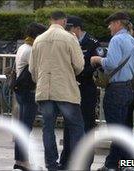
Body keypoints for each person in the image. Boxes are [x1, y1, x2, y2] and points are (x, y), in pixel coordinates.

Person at [29, 11, 85, 171]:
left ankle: (51, 164)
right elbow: (79, 66)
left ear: (50, 20)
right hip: (65, 90)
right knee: (76, 127)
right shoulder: (70, 38)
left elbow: (32, 69)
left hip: (44, 91)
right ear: (64, 21)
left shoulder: (39, 40)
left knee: (48, 128)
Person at [90, 12, 134, 170]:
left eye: (111, 23)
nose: (109, 27)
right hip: (128, 89)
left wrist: (97, 59)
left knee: (115, 131)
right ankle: (127, 164)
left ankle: (111, 165)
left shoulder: (117, 39)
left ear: (118, 23)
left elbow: (111, 63)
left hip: (115, 91)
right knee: (124, 129)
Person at [66, 15, 102, 169]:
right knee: (69, 124)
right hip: (71, 88)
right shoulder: (67, 41)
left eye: (69, 28)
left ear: (77, 28)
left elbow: (96, 64)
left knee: (87, 124)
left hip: (86, 88)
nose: (67, 31)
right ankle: (68, 159)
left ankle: (86, 162)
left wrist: (79, 73)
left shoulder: (92, 43)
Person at [13, 22, 47, 171]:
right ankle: (22, 162)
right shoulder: (31, 50)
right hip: (28, 92)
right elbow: (35, 72)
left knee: (23, 127)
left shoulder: (23, 47)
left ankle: (20, 161)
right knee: (25, 128)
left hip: (21, 91)